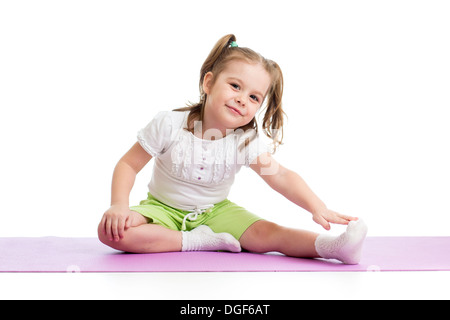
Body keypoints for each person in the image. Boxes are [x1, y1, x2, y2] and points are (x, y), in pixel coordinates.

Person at [98, 34, 368, 264]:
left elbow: (281, 176)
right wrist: (119, 206)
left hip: (216, 212)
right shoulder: (169, 124)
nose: (242, 99)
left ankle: (334, 247)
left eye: (253, 97)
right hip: (162, 209)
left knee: (267, 233)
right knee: (110, 231)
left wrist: (316, 206)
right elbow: (128, 165)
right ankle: (197, 241)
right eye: (235, 86)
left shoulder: (243, 141)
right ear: (208, 83)